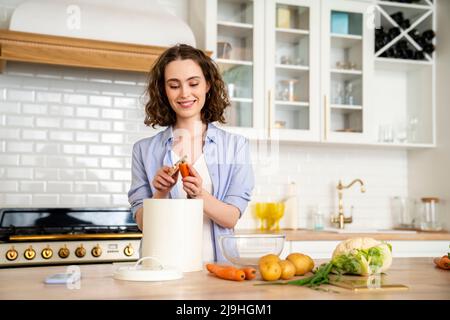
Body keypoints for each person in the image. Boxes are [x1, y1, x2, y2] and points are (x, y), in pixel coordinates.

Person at [127, 44, 254, 262]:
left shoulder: (236, 146)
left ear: (207, 85)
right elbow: (144, 225)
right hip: (162, 269)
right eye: (174, 85)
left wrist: (200, 195)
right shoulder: (143, 150)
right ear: (163, 90)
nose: (185, 93)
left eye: (193, 83)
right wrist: (160, 193)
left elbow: (231, 218)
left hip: (218, 271)